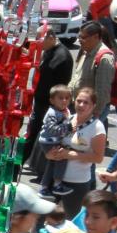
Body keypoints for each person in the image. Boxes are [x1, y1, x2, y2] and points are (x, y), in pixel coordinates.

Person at [45, 88, 106, 218]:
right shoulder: (67, 119)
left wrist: (70, 155)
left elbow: (98, 158)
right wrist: (49, 154)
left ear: (93, 106)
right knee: (43, 220)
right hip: (54, 179)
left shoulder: (97, 127)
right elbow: (49, 143)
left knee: (71, 223)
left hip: (77, 184)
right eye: (79, 101)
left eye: (86, 102)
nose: (81, 105)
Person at [25, 26, 73, 166]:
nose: (39, 43)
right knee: (34, 133)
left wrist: (57, 104)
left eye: (41, 40)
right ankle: (31, 161)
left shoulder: (62, 57)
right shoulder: (48, 51)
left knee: (40, 135)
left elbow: (60, 85)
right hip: (41, 100)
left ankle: (20, 164)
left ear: (51, 38)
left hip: (50, 104)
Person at [68, 21, 115, 133]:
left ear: (96, 37)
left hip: (91, 112)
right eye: (79, 36)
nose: (79, 40)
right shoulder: (85, 51)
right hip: (79, 107)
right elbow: (76, 77)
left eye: (83, 37)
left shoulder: (104, 58)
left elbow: (102, 92)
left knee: (83, 144)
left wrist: (93, 116)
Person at [38, 85, 75, 197]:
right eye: (60, 98)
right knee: (61, 157)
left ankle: (44, 187)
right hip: (49, 141)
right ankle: (57, 184)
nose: (64, 101)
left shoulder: (63, 111)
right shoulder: (52, 113)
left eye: (67, 98)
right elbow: (52, 129)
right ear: (52, 100)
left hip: (53, 140)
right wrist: (68, 127)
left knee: (52, 163)